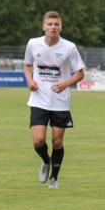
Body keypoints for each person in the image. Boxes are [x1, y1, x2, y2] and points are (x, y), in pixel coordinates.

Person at [23, 11, 85, 189]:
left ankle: (54, 179)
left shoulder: (69, 48)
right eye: (50, 24)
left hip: (60, 102)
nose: (53, 27)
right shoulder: (33, 44)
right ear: (44, 26)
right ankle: (45, 160)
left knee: (57, 142)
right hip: (38, 100)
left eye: (56, 24)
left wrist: (66, 83)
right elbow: (27, 65)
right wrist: (29, 80)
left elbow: (80, 73)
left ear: (60, 27)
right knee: (38, 140)